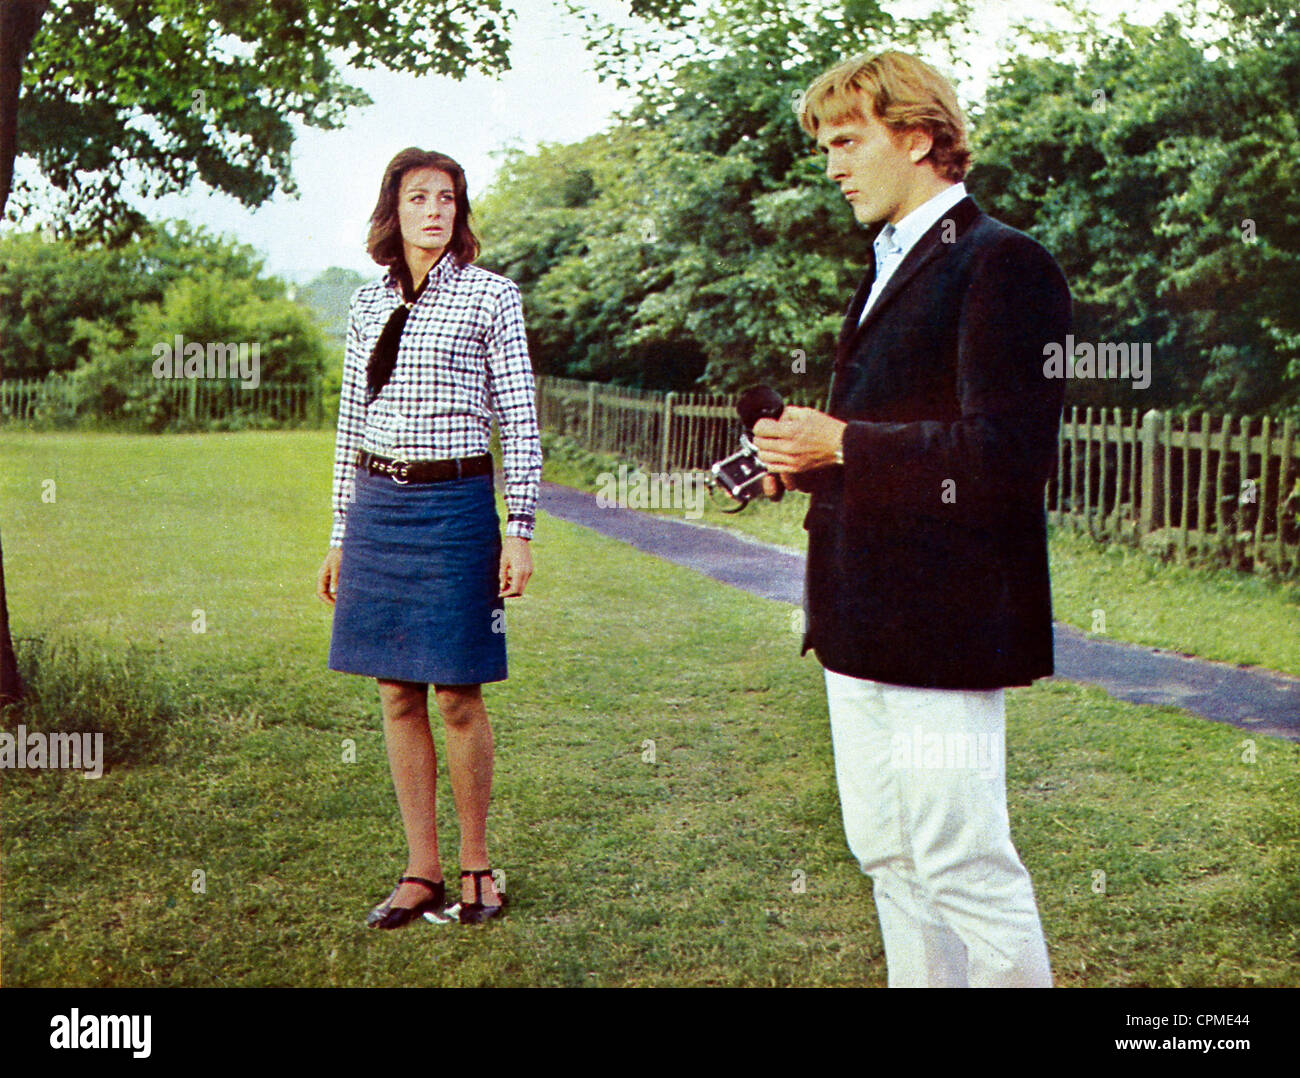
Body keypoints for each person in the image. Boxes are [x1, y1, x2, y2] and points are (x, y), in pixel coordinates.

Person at [753, 51, 1069, 986]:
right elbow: (891, 439)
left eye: (848, 142)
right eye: (826, 148)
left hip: (946, 623)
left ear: (921, 138)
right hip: (855, 620)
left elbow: (1008, 458)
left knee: (962, 865)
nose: (833, 167)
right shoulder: (891, 259)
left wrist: (843, 445)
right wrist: (801, 464)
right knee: (888, 858)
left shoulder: (1004, 263)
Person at [316, 147, 542, 928]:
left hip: (455, 509)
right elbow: (350, 424)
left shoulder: (492, 298)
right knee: (395, 691)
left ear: (460, 211)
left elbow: (519, 420)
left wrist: (520, 530)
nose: (435, 210)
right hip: (379, 508)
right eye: (419, 197)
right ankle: (422, 872)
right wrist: (341, 532)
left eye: (447, 198)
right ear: (395, 210)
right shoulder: (366, 303)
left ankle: (478, 866)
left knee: (456, 693)